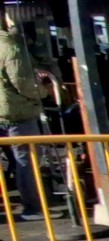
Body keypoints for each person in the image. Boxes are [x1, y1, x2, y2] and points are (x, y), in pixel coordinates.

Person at [0, 7, 52, 221]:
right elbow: (22, 83)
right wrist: (42, 92)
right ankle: (31, 206)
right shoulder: (10, 47)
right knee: (26, 160)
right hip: (16, 112)